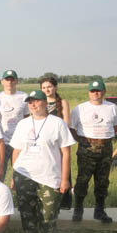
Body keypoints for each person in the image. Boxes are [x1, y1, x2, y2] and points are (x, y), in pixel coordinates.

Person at [10, 90, 75, 233]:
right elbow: (16, 151)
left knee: (48, 217)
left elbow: (66, 153)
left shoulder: (57, 123)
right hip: (24, 177)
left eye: (36, 101)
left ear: (45, 103)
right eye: (30, 102)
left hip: (49, 178)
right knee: (28, 216)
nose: (32, 105)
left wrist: (64, 179)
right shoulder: (23, 124)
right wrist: (14, 176)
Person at [70, 80, 117, 223]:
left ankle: (99, 211)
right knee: (82, 180)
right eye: (93, 91)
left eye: (99, 90)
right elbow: (71, 128)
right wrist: (83, 141)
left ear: (104, 91)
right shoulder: (80, 109)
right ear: (89, 92)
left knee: (102, 182)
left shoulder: (112, 107)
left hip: (105, 150)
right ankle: (78, 210)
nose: (96, 93)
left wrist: (103, 139)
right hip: (86, 149)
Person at [40, 77, 72, 210]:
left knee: (62, 171)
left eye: (49, 86)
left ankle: (63, 202)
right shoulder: (40, 102)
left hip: (59, 142)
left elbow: (67, 123)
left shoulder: (63, 102)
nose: (47, 89)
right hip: (45, 144)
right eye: (43, 88)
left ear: (55, 87)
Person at [0, 70, 29, 175]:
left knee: (20, 173)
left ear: (16, 81)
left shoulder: (24, 97)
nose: (9, 82)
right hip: (1, 142)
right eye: (7, 79)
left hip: (19, 141)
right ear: (2, 82)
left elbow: (27, 118)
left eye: (12, 79)